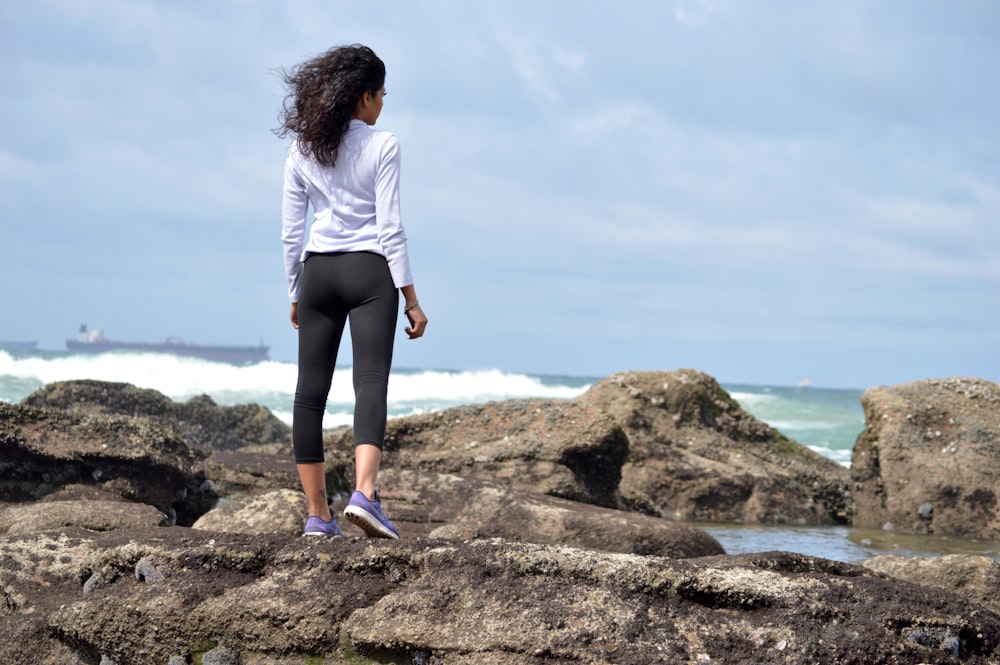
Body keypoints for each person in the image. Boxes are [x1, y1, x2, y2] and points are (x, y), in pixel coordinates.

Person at [276, 44, 427, 539]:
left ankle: (318, 516)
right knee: (369, 381)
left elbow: (290, 232)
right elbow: (391, 227)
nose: (382, 104)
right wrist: (410, 297)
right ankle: (364, 495)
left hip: (317, 273)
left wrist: (295, 291)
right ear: (364, 97)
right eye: (381, 94)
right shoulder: (383, 145)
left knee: (309, 395)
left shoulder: (302, 149)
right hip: (369, 273)